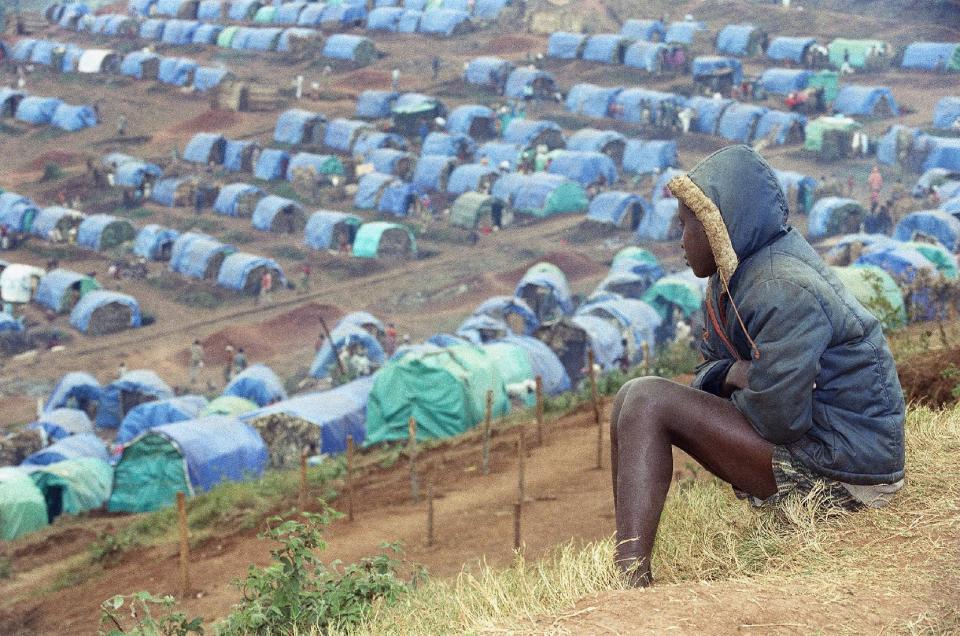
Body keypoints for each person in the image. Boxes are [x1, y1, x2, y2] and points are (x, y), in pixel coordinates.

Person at [609, 145, 905, 587]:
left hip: (848, 481)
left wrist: (744, 381)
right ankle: (627, 567)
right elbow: (710, 371)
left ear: (721, 226)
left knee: (648, 401)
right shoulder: (731, 280)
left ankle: (628, 581)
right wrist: (735, 374)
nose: (680, 238)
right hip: (824, 447)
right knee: (629, 397)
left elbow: (779, 418)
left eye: (688, 224)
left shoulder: (779, 287)